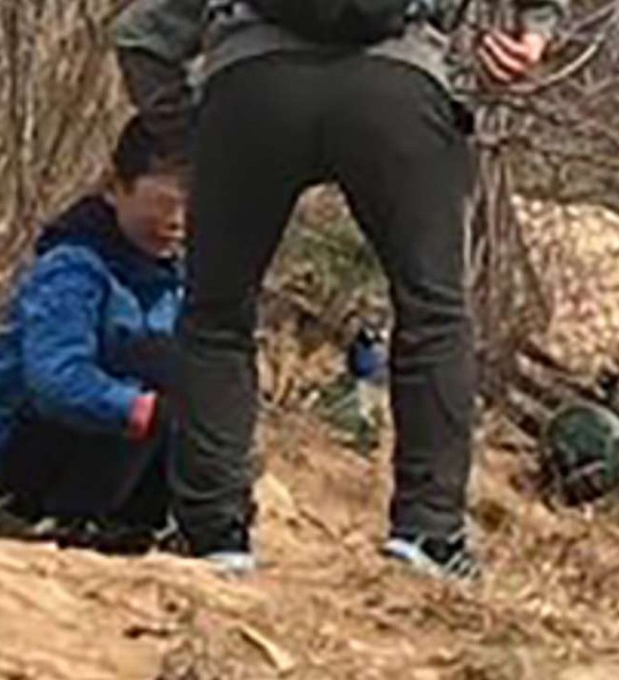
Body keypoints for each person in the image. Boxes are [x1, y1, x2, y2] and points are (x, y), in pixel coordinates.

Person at [113, 0, 566, 578]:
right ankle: (430, 534)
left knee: (216, 315)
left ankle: (213, 534)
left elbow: (140, 36)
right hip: (398, 90)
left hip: (251, 93)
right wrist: (534, 32)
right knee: (434, 311)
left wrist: (192, 138)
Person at [0, 116, 186, 552]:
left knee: (195, 380)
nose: (176, 222)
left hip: (119, 450)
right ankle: (72, 517)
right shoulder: (72, 268)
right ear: (115, 188)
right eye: (162, 204)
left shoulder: (178, 280)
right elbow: (55, 381)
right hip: (26, 449)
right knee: (152, 372)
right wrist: (145, 411)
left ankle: (145, 521)